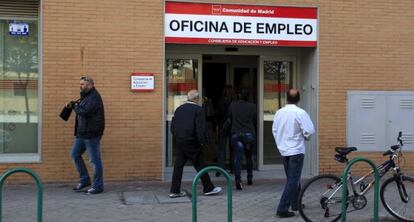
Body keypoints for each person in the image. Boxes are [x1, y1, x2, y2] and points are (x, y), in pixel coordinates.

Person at [169, 89, 222, 198]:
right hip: (192, 142)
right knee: (200, 165)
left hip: (180, 142)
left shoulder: (179, 109)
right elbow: (200, 128)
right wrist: (201, 142)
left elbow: (173, 126)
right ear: (196, 99)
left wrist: (177, 137)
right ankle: (208, 188)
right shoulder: (198, 110)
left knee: (178, 166)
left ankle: (174, 190)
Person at [272, 88, 315, 218]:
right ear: (299, 99)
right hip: (296, 150)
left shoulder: (279, 112)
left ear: (287, 98)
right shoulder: (300, 112)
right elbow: (309, 130)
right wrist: (306, 137)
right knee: (293, 180)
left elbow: (275, 130)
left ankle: (295, 203)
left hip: (284, 150)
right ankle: (282, 208)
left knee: (292, 179)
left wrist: (280, 143)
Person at [67, 76, 105, 195]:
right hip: (82, 133)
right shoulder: (86, 97)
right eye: (80, 84)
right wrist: (75, 104)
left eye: (83, 84)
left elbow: (84, 112)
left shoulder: (94, 97)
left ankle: (98, 186)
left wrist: (74, 106)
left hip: (92, 134)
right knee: (75, 154)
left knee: (94, 160)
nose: (81, 86)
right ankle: (85, 180)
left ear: (90, 85)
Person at [227, 90, 256, 190]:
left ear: (239, 95)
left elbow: (229, 118)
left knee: (238, 158)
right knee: (249, 157)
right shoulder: (252, 106)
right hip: (249, 134)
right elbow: (254, 119)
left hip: (236, 134)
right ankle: (249, 178)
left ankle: (238, 181)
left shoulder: (233, 105)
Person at [216, 85, 235, 177]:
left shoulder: (220, 102)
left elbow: (218, 115)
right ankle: (233, 168)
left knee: (221, 149)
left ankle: (220, 169)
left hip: (222, 126)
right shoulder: (235, 102)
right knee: (233, 148)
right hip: (233, 127)